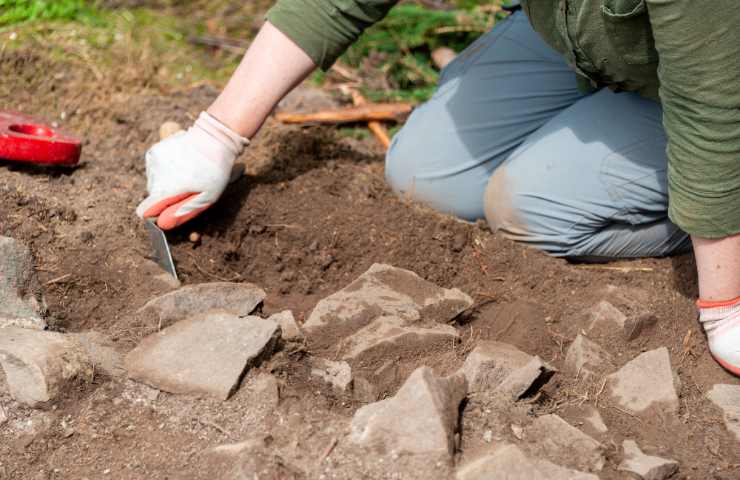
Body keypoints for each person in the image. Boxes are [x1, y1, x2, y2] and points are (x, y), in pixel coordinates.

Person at [135, 0, 739, 376]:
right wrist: (215, 136)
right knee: (424, 177)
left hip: (715, 79)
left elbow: (712, 109)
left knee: (529, 208)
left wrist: (725, 307)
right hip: (582, 29)